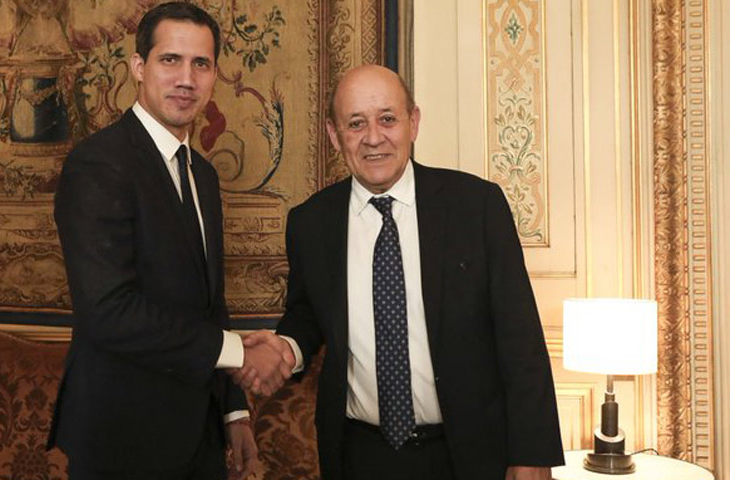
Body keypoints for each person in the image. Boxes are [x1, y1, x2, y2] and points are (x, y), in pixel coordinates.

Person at [235, 65, 564, 480]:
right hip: (360, 455)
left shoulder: (476, 206)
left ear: (414, 122)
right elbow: (308, 315)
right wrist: (285, 348)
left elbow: (521, 338)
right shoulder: (310, 222)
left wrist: (532, 452)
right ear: (335, 135)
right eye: (356, 123)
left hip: (468, 453)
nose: (374, 137)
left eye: (388, 119)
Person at [47, 3, 291, 479]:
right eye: (170, 60)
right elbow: (109, 311)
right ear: (139, 67)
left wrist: (234, 412)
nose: (186, 79)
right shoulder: (98, 163)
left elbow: (209, 302)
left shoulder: (204, 175)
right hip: (121, 438)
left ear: (215, 75)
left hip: (199, 434)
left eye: (201, 64)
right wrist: (242, 352)